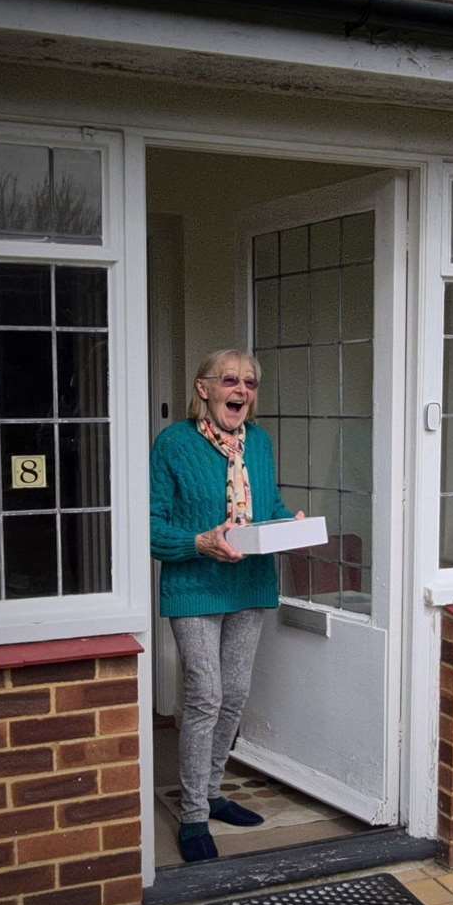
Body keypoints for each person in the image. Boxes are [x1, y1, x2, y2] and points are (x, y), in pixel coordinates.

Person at [151, 348, 303, 863]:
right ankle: (193, 815)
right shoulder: (172, 445)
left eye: (251, 384)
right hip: (195, 585)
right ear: (203, 388)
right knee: (204, 695)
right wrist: (200, 544)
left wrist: (290, 523)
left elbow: (270, 508)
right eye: (231, 381)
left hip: (250, 583)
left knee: (234, 694)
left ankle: (213, 792)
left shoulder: (257, 442)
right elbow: (151, 525)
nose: (242, 391)